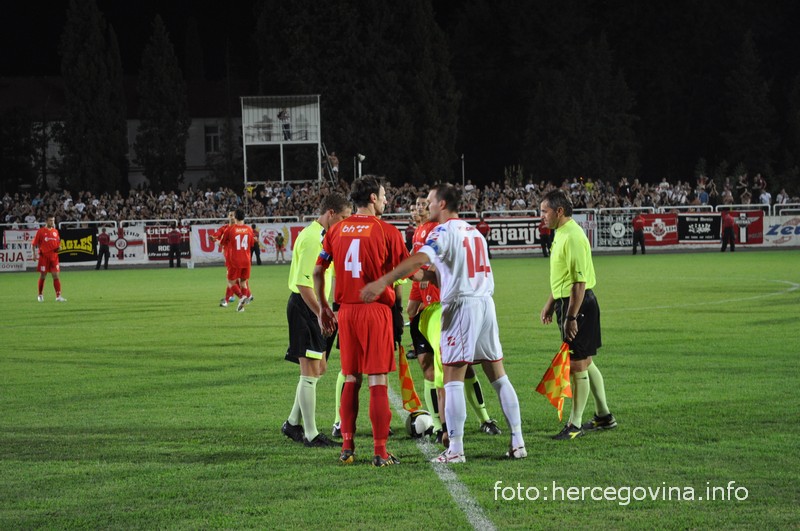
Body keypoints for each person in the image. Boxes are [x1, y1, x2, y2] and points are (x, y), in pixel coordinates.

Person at [362, 183, 526, 463]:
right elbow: (441, 273)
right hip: (485, 303)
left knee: (451, 380)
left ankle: (456, 449)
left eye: (430, 200)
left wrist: (383, 281)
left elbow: (420, 259)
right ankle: (518, 442)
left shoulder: (444, 231)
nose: (427, 204)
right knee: (499, 377)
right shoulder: (474, 232)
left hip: (461, 307)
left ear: (442, 204)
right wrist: (421, 276)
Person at [313, 175, 409, 467]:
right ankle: (380, 451)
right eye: (382, 196)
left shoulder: (336, 230)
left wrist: (324, 309)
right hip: (375, 311)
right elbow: (409, 272)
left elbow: (318, 272)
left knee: (351, 378)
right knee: (378, 379)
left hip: (347, 313)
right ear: (371, 199)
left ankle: (347, 447)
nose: (385, 200)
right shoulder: (387, 231)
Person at [407, 193, 501, 446]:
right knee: (430, 367)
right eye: (417, 205)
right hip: (427, 309)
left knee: (453, 369)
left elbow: (432, 270)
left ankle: (474, 422)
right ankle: (441, 426)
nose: (420, 207)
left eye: (424, 204)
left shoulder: (437, 231)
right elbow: (420, 275)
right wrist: (414, 302)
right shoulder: (418, 234)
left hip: (446, 308)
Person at [539, 189, 616, 440]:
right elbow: (562, 276)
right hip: (569, 303)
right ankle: (604, 416)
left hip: (578, 305)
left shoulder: (572, 236)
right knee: (585, 361)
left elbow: (578, 283)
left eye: (544, 211)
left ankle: (575, 425)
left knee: (576, 364)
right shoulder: (561, 233)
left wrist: (571, 317)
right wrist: (550, 303)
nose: (541, 216)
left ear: (558, 211)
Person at [282, 193, 351, 448]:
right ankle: (310, 434)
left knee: (318, 369)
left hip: (315, 307)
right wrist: (321, 311)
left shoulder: (322, 235)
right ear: (330, 213)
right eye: (343, 217)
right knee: (309, 371)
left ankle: (292, 423)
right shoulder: (314, 238)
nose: (345, 223)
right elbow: (303, 283)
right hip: (306, 306)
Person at [219, 210, 255, 312]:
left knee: (230, 282)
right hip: (247, 260)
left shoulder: (230, 229)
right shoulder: (249, 229)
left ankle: (241, 297)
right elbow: (252, 243)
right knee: (243, 282)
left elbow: (222, 243)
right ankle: (241, 307)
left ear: (235, 217)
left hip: (234, 260)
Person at [32, 215, 66, 302]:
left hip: (54, 257)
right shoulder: (41, 231)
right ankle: (40, 295)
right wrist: (34, 255)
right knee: (43, 276)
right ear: (46, 221)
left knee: (56, 276)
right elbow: (34, 244)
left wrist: (59, 248)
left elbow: (58, 244)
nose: (52, 222)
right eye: (50, 220)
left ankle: (58, 296)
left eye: (53, 220)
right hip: (44, 257)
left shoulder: (55, 231)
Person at [212, 211, 236, 306]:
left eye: (233, 215)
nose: (232, 217)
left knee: (232, 278)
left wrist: (218, 242)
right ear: (228, 217)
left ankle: (229, 299)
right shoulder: (224, 228)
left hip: (236, 256)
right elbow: (216, 235)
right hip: (228, 257)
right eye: (230, 215)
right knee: (236, 278)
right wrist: (213, 238)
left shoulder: (239, 228)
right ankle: (241, 296)